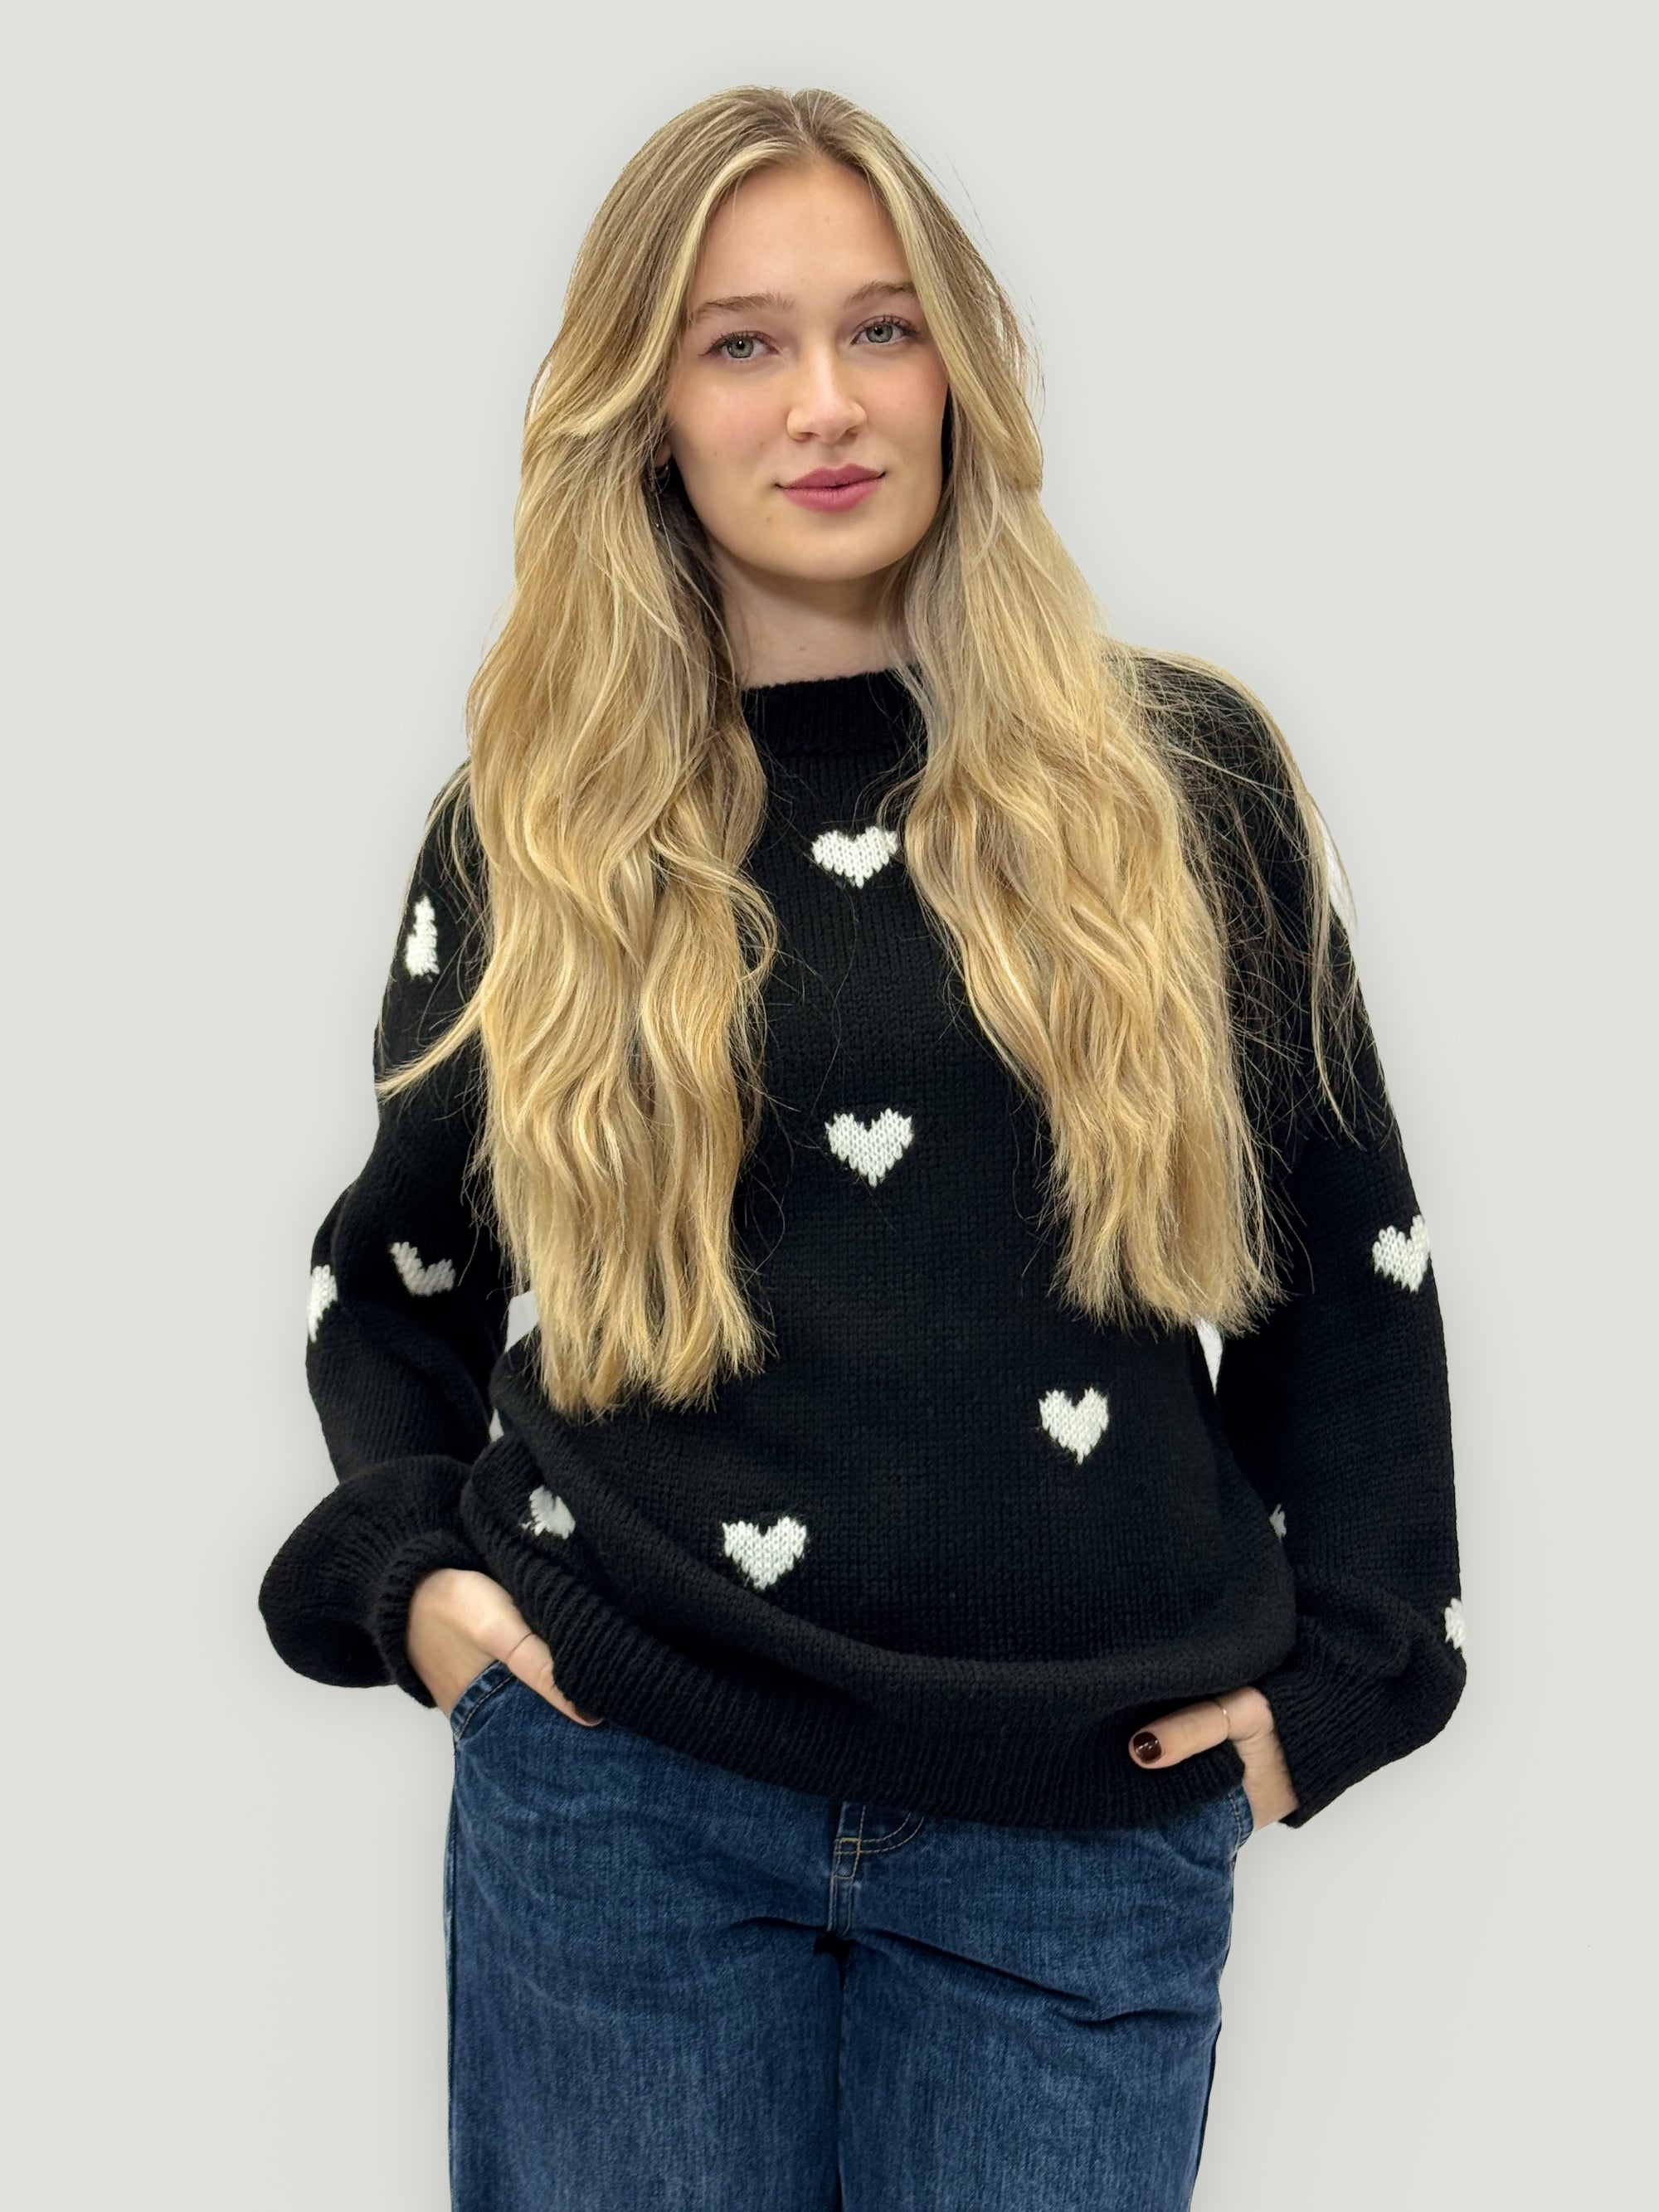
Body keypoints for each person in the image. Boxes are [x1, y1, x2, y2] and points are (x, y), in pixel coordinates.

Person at [259, 82, 1465, 2212]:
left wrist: (1348, 1677)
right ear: (648, 411)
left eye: (880, 328)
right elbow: (397, 1282)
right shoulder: (538, 828)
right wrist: (419, 1583)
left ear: (958, 370)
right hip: (623, 1795)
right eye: (741, 342)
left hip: (1078, 1824)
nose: (823, 401)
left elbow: (1347, 1275)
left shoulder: (1184, 785)